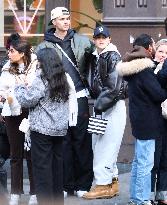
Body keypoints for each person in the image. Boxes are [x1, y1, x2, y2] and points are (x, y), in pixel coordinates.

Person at [35, 6, 93, 197]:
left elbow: (95, 63)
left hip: (80, 96)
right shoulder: (43, 46)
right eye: (61, 19)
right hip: (59, 99)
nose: (66, 21)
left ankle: (83, 184)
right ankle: (67, 185)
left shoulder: (83, 41)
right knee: (64, 143)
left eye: (67, 18)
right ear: (54, 22)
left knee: (82, 140)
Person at [14, 47, 70, 205]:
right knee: (57, 169)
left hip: (42, 130)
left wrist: (19, 87)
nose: (36, 62)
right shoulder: (62, 77)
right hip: (59, 130)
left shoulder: (42, 77)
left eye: (38, 59)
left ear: (44, 61)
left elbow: (29, 99)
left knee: (42, 170)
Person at [116, 34, 167, 205]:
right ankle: (141, 199)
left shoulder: (134, 68)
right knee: (146, 163)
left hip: (140, 120)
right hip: (149, 122)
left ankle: (135, 197)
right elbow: (158, 94)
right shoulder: (144, 70)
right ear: (147, 48)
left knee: (139, 162)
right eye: (153, 45)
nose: (154, 48)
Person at [82, 25, 126, 199]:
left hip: (110, 106)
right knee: (101, 144)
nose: (101, 39)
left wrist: (99, 105)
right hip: (102, 106)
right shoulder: (97, 56)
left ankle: (102, 184)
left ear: (109, 39)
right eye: (98, 37)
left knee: (105, 146)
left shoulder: (113, 56)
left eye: (104, 37)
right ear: (94, 39)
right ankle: (111, 182)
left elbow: (114, 88)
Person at [0, 38, 37, 205]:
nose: (9, 53)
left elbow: (37, 88)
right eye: (9, 51)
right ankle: (15, 192)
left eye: (12, 51)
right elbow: (2, 89)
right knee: (15, 154)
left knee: (31, 154)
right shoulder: (7, 68)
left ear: (22, 54)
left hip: (31, 113)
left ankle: (34, 193)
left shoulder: (35, 67)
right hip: (12, 113)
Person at [151, 39, 167, 205]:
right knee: (154, 158)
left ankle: (162, 194)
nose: (164, 56)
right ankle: (148, 193)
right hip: (155, 118)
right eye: (161, 51)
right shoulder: (150, 69)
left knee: (165, 159)